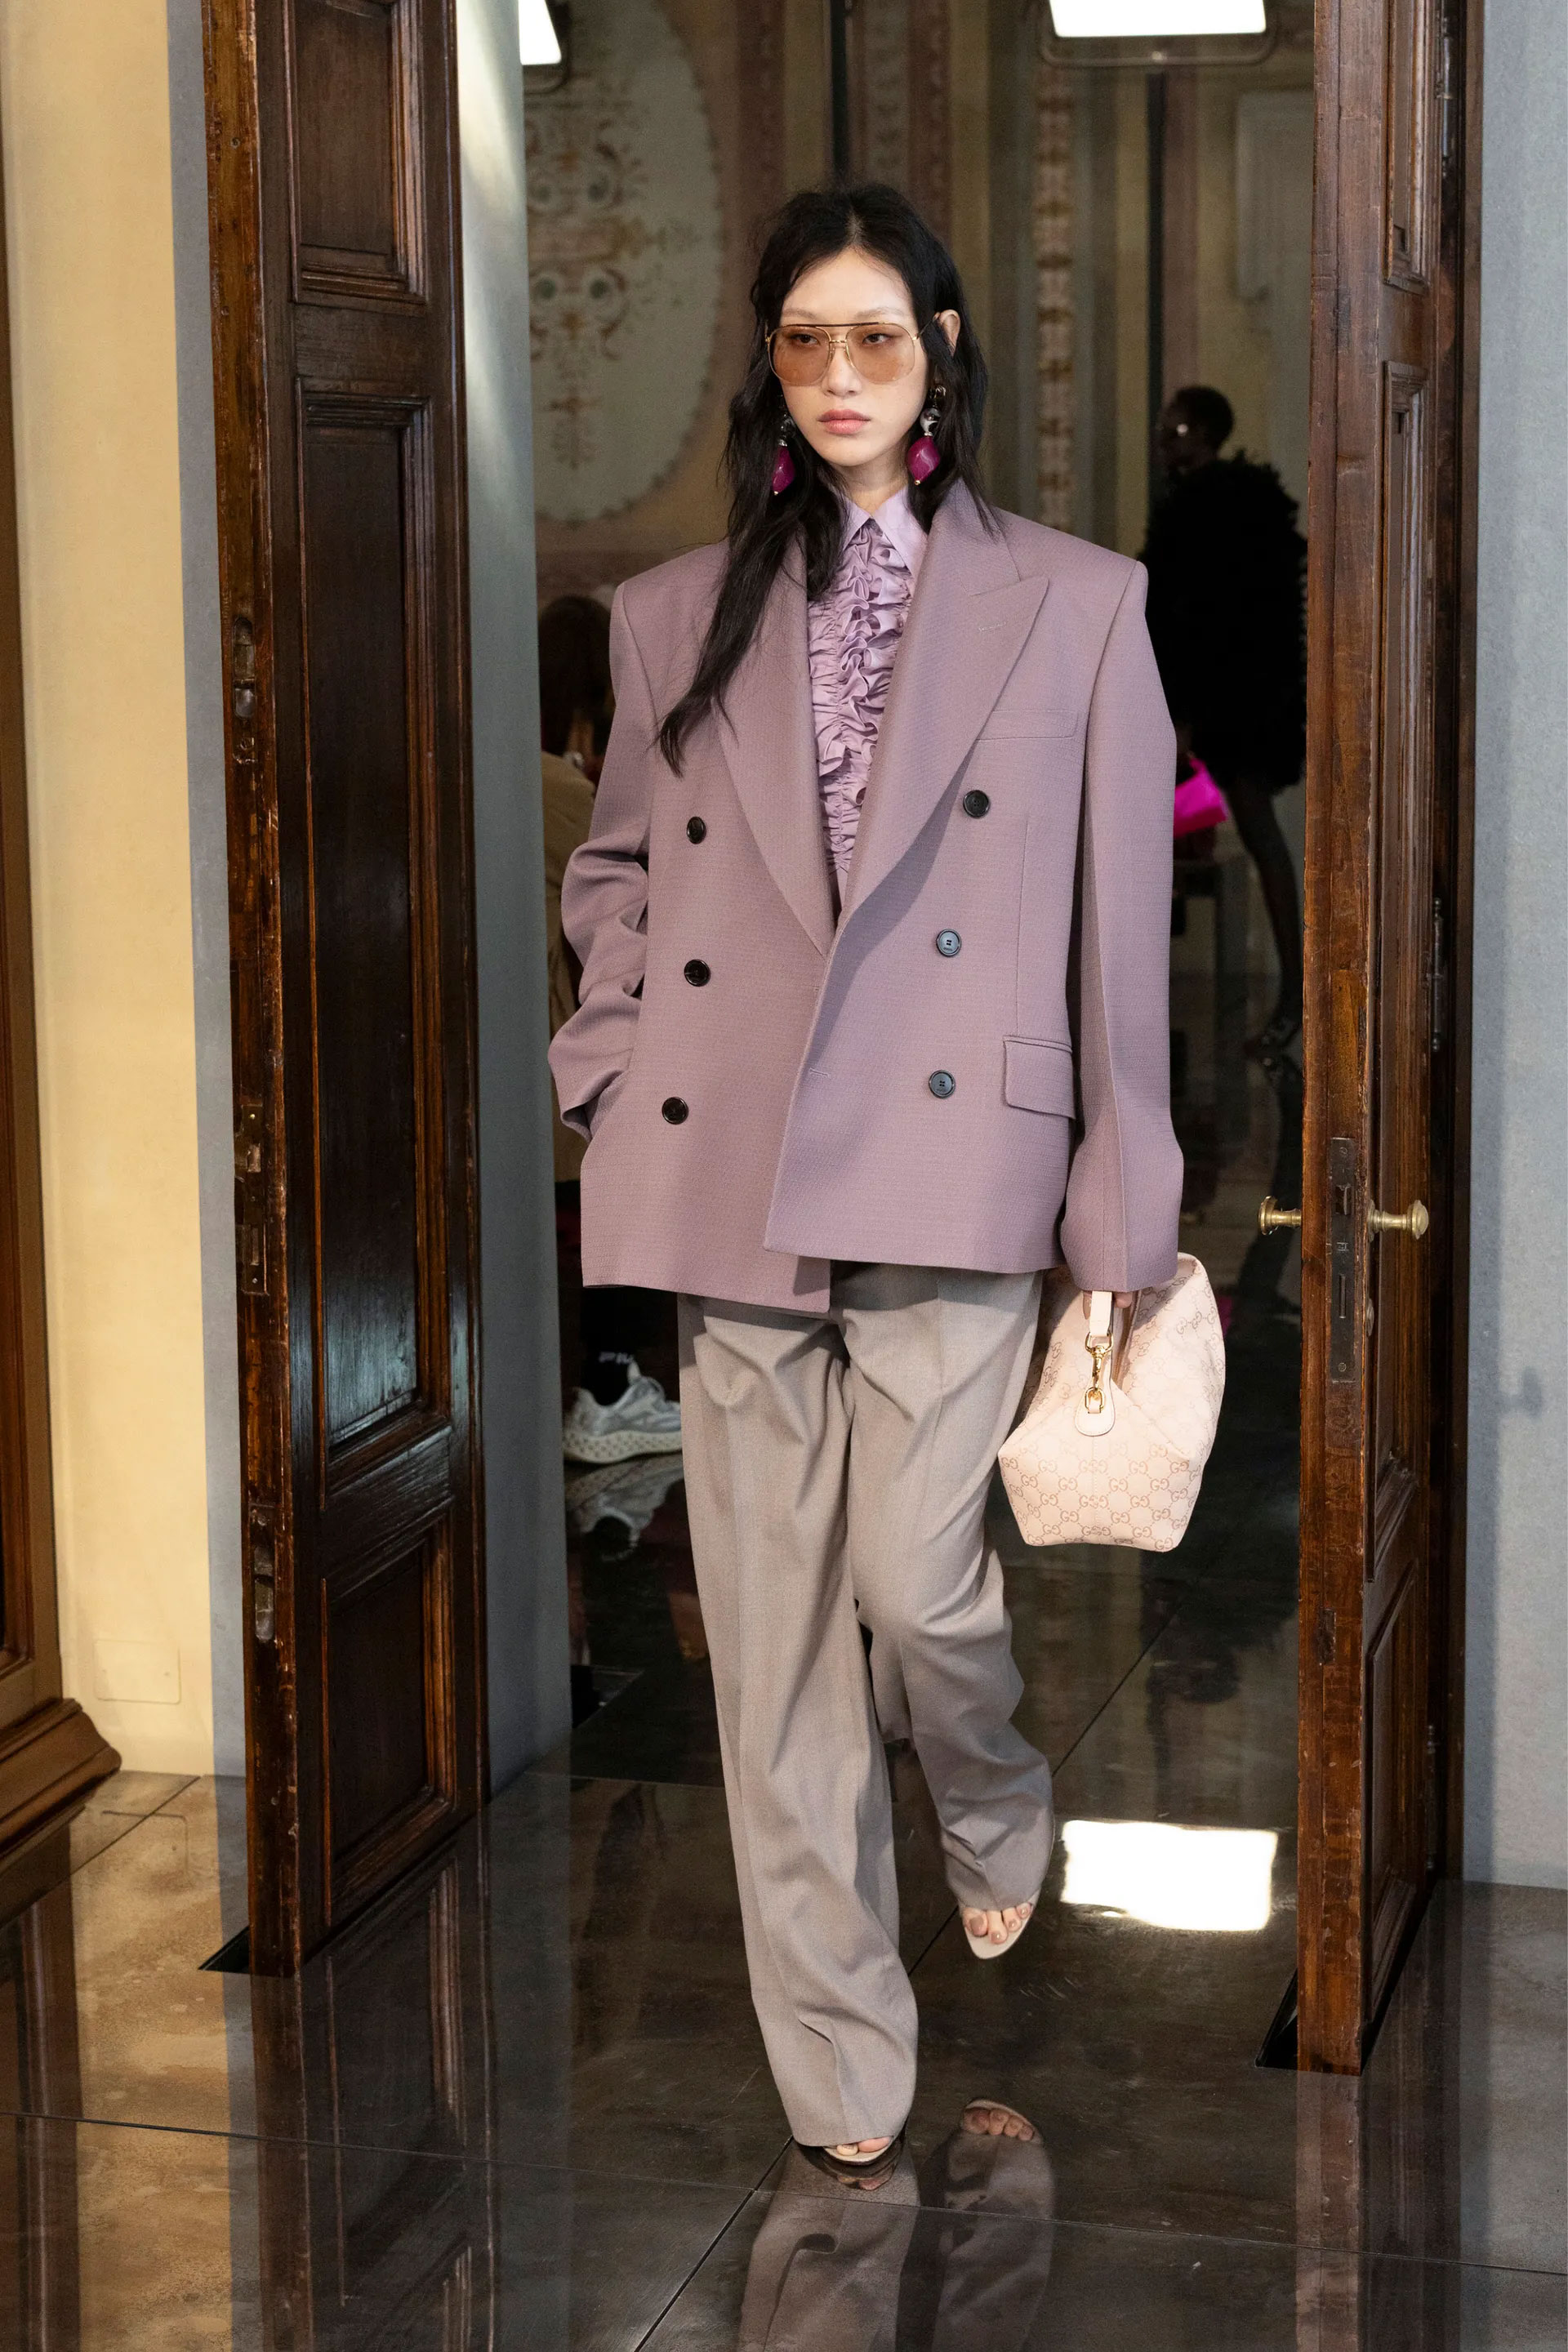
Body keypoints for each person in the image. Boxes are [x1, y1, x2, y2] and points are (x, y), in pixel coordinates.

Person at [550, 185, 1180, 2171]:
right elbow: (618, 872)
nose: (840, 376)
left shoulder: (1076, 601)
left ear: (942, 355)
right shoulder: (675, 612)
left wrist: (1122, 1212)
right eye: (806, 340)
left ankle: (989, 1786)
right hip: (727, 1167)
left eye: (877, 339)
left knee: (919, 1590)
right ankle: (837, 2056)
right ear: (772, 361)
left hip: (956, 1168)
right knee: (771, 1662)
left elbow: (1118, 932)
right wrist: (607, 1069)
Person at [538, 593, 682, 1463]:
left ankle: (601, 1383)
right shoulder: (557, 787)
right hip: (572, 1036)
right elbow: (634, 884)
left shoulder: (514, 771)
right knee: (625, 1198)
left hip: (528, 1037)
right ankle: (609, 1388)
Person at [1142, 385, 1307, 1053]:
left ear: (1206, 433)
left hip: (1229, 706)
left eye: (1179, 429)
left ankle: (1296, 995)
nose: (1166, 440)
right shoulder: (1211, 504)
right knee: (1201, 837)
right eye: (1165, 428)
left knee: (1250, 835)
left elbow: (1205, 619)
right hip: (1219, 704)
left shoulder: (1217, 507)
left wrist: (1188, 709)